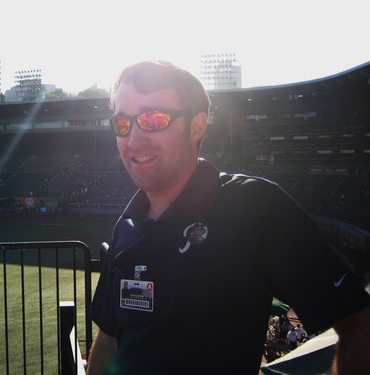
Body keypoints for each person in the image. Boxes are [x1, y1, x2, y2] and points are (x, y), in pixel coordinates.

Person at [87, 60, 370, 374]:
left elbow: (358, 321)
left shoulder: (254, 207)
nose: (134, 138)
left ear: (197, 126)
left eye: (153, 119)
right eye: (122, 124)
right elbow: (110, 339)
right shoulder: (126, 226)